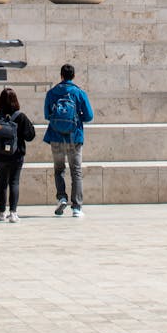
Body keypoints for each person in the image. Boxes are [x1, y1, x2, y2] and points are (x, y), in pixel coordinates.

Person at [43, 63, 93, 218]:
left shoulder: (52, 93)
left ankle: (61, 198)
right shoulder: (79, 93)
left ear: (61, 75)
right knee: (76, 171)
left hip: (56, 136)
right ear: (74, 76)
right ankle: (76, 207)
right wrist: (78, 119)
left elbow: (47, 115)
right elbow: (89, 116)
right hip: (74, 136)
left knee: (59, 169)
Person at [0, 87, 35, 223]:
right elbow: (30, 136)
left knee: (2, 184)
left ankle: (2, 213)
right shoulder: (20, 117)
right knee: (14, 182)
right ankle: (13, 213)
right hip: (16, 154)